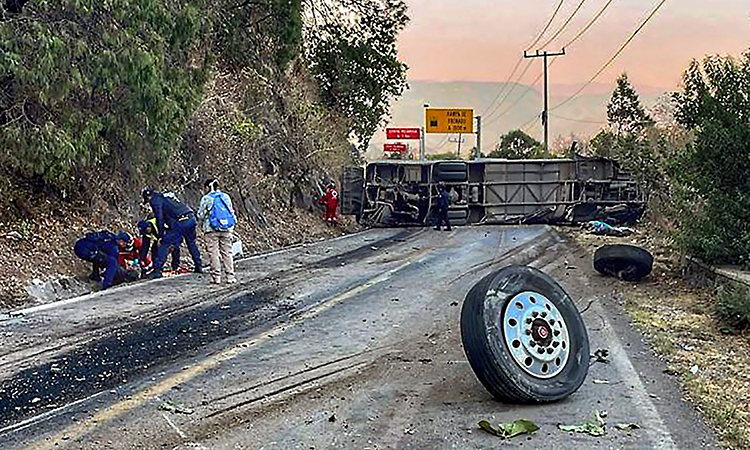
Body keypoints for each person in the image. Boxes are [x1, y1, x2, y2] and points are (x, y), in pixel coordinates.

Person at [141, 186, 203, 278]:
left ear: (148, 197)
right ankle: (198, 266)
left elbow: (159, 218)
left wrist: (161, 236)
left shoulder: (156, 200)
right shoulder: (168, 196)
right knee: (191, 243)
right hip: (191, 218)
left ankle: (157, 270)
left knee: (165, 242)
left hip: (180, 221)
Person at [197, 178, 237, 284]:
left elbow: (200, 215)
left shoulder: (206, 198)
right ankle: (230, 276)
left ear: (207, 187)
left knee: (213, 253)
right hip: (227, 228)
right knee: (227, 252)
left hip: (211, 230)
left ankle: (216, 277)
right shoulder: (225, 197)